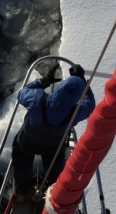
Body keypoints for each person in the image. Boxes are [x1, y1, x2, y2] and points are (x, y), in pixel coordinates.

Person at [11, 62, 96, 201]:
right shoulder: (75, 112)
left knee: (21, 155)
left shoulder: (36, 98)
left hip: (28, 141)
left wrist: (44, 81)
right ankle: (51, 192)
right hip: (53, 148)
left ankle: (22, 191)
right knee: (55, 170)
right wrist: (82, 82)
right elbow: (90, 104)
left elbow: (22, 93)